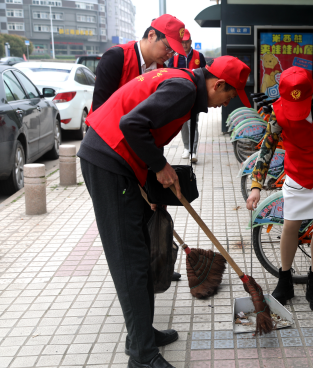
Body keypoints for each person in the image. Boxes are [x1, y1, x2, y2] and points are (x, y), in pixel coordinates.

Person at [78, 56, 251, 368]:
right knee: (129, 260)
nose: (226, 103)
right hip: (107, 162)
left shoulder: (185, 85)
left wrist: (147, 183)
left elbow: (144, 129)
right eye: (230, 96)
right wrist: (159, 167)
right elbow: (130, 124)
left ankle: (142, 334)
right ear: (218, 84)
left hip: (121, 165)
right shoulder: (183, 89)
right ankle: (142, 356)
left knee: (141, 252)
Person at [246, 67, 313, 312]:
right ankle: (285, 280)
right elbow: (267, 147)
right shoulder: (277, 111)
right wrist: (256, 185)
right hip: (299, 170)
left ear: (312, 91)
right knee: (291, 225)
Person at [91, 14, 186, 285]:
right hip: (111, 153)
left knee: (154, 207)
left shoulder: (160, 69)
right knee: (130, 216)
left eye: (173, 52)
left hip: (140, 149)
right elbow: (100, 112)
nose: (168, 55)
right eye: (167, 47)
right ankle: (136, 274)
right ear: (152, 35)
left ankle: (159, 263)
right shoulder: (116, 58)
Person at [171, 29, 207, 163]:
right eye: (183, 42)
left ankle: (193, 150)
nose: (185, 45)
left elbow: (205, 74)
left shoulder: (199, 56)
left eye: (187, 42)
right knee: (182, 123)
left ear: (191, 42)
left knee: (192, 122)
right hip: (179, 95)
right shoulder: (174, 57)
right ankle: (186, 147)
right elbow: (169, 73)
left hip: (194, 94)